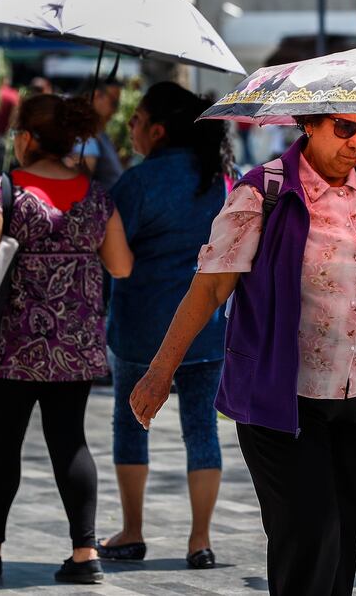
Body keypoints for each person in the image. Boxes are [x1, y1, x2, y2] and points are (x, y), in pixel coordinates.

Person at [129, 111, 356, 595]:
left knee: (342, 540)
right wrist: (159, 372)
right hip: (285, 399)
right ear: (309, 125)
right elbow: (209, 291)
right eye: (344, 128)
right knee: (310, 535)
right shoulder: (263, 192)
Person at [0, 93, 132, 584]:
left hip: (13, 345)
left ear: (26, 138)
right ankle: (85, 554)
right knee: (70, 443)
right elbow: (121, 265)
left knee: (2, 447)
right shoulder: (95, 194)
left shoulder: (9, 187)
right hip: (75, 345)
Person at [98, 82, 233, 569]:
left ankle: (132, 531)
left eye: (134, 120)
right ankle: (200, 540)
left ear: (156, 130)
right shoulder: (221, 179)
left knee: (131, 424)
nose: (130, 127)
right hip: (208, 326)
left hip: (141, 325)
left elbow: (115, 259)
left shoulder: (136, 183)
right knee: (201, 430)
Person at [77, 78, 124, 190]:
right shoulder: (86, 135)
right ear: (97, 96)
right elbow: (81, 183)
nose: (115, 110)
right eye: (114, 103)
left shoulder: (98, 133)